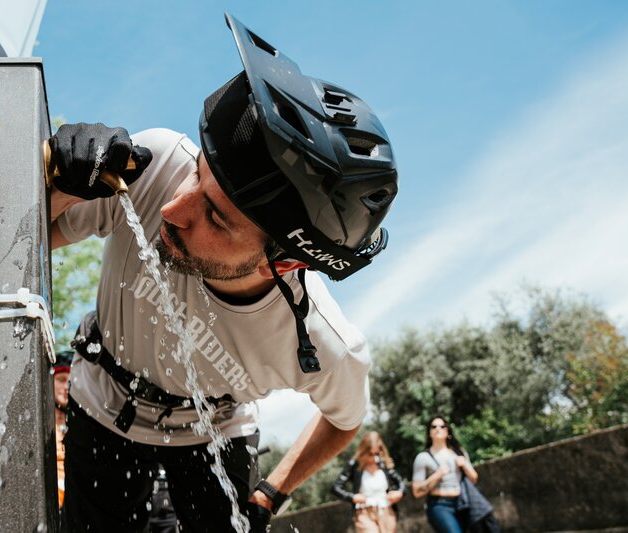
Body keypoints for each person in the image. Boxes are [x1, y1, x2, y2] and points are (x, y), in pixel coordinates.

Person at [49, 13, 398, 533]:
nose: (172, 209)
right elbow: (34, 237)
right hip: (102, 401)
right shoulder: (156, 163)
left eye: (215, 217)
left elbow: (345, 420)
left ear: (285, 262)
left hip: (216, 430)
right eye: (197, 177)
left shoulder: (324, 344)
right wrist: (59, 177)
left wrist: (270, 493)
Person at [411, 416, 480, 533]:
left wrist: (465, 465)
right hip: (439, 505)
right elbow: (416, 491)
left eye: (442, 426)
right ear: (429, 432)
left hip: (462, 503)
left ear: (448, 431)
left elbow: (474, 479)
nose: (438, 429)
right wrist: (436, 475)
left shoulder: (459, 452)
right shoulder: (423, 458)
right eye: (434, 427)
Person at [331, 431, 405, 533]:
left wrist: (399, 492)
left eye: (377, 453)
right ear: (364, 451)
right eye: (371, 454)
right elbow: (335, 487)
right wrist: (352, 497)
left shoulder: (384, 463)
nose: (375, 457)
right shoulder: (354, 465)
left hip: (386, 510)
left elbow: (401, 483)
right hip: (364, 512)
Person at [51, 349, 73, 509]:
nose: (66, 386)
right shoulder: (40, 426)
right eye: (61, 379)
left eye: (71, 380)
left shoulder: (82, 426)